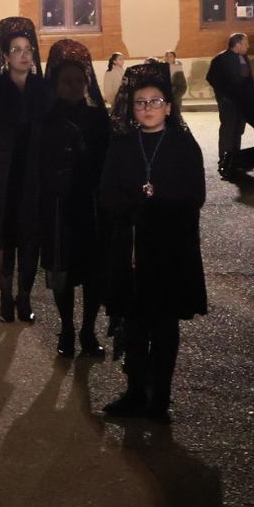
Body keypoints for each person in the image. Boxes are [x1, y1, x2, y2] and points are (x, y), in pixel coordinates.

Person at [100, 63, 206, 424]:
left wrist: (155, 208)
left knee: (163, 325)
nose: (147, 108)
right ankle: (134, 392)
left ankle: (160, 396)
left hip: (169, 250)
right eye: (140, 102)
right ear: (132, 108)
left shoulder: (183, 146)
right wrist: (134, 208)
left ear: (169, 107)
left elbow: (194, 195)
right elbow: (107, 193)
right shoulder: (123, 144)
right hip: (130, 248)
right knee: (134, 324)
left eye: (155, 101)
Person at [0, 16, 51, 324]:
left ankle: (24, 296)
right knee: (4, 238)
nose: (23, 55)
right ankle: (6, 296)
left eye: (28, 49)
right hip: (2, 173)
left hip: (33, 175)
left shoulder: (42, 89)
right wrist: (13, 139)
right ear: (5, 56)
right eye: (16, 49)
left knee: (30, 239)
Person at [37, 40, 111, 359]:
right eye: (66, 81)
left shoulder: (98, 118)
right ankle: (67, 328)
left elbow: (108, 159)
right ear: (55, 83)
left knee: (93, 273)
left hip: (92, 205)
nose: (73, 86)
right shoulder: (46, 119)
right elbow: (38, 165)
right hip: (59, 205)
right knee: (63, 272)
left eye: (78, 81)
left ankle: (88, 330)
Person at [206, 33, 254, 179]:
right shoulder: (220, 59)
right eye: (246, 43)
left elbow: (249, 81)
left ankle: (234, 159)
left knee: (238, 130)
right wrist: (225, 95)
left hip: (243, 102)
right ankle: (224, 160)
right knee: (228, 130)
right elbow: (211, 78)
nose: (248, 46)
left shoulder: (244, 58)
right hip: (229, 103)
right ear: (237, 44)